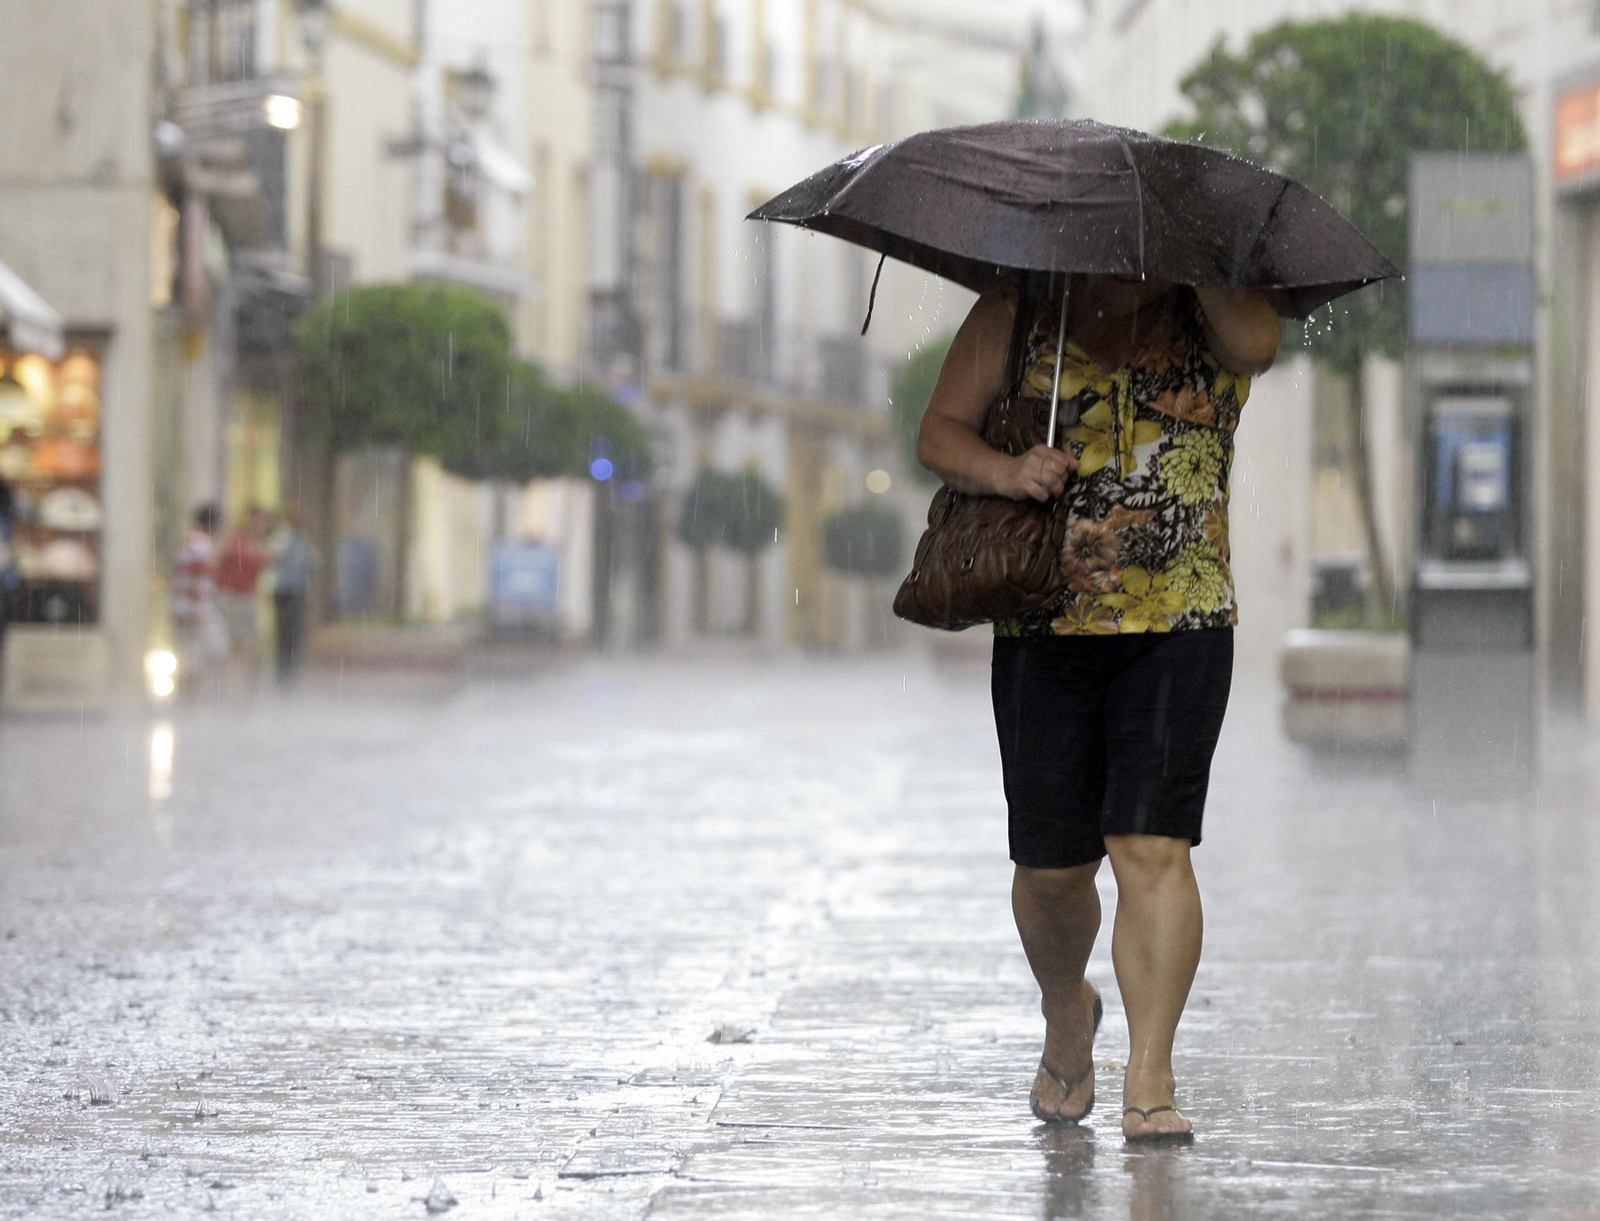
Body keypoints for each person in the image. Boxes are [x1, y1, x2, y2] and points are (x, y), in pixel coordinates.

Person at [916, 272, 1280, 1143]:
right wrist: (1007, 471)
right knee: (1051, 869)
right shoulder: (1023, 306)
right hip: (1047, 618)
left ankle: (1149, 1072)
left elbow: (1258, 347)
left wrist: (1199, 264)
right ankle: (1066, 1009)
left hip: (1182, 615)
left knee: (1152, 846)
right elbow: (938, 432)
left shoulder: (1219, 305)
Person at [172, 503, 226, 699]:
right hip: (196, 613)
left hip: (186, 611)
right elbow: (195, 578)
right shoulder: (200, 545)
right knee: (201, 657)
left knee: (191, 658)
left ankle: (191, 700)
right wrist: (195, 613)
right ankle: (194, 702)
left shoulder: (189, 541)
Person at [215, 507, 271, 692]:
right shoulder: (235, 539)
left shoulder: (260, 545)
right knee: (227, 645)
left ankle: (242, 690)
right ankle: (226, 688)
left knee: (246, 647)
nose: (261, 525)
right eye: (258, 520)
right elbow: (217, 561)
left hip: (247, 600)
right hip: (229, 598)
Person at [267, 504, 315, 684]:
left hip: (298, 590)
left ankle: (292, 673)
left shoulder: (301, 538)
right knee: (284, 633)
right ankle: (282, 674)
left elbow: (308, 561)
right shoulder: (282, 536)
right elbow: (273, 557)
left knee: (295, 633)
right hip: (283, 590)